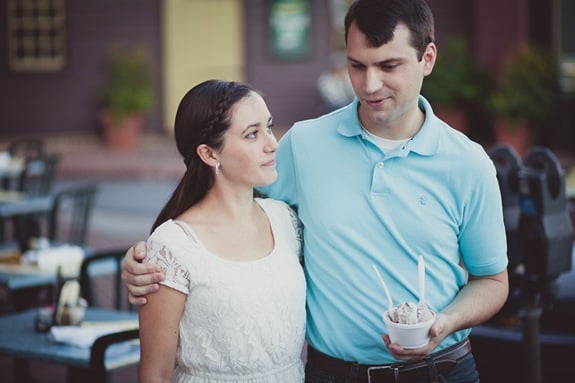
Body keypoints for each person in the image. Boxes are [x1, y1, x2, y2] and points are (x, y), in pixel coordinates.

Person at [122, 1, 509, 382]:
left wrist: (447, 322)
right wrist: (151, 260)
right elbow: (229, 217)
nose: (370, 84)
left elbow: (492, 281)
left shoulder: (469, 164)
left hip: (443, 371)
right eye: (357, 65)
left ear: (427, 58)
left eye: (389, 66)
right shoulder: (304, 144)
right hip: (331, 374)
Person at [137, 79, 306, 382]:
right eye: (252, 134)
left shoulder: (284, 221)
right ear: (210, 154)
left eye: (269, 127)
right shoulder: (173, 245)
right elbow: (155, 374)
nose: (273, 143)